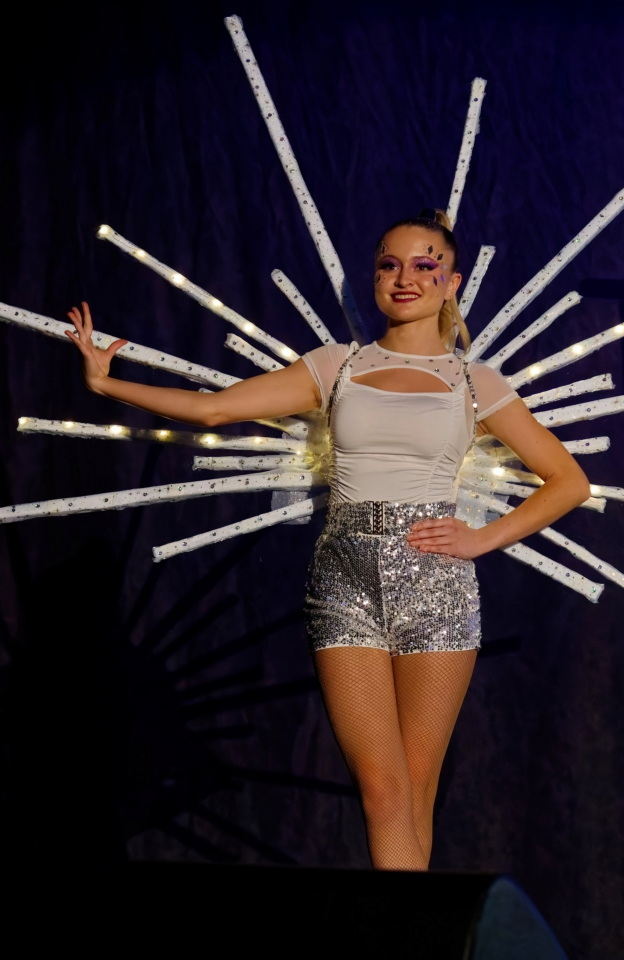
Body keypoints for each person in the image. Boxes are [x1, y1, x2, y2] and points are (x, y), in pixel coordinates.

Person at [65, 207, 591, 871]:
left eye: (424, 265)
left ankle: (416, 927)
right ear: (374, 278)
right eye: (388, 265)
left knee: (416, 792)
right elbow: (216, 408)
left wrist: (483, 539)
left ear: (452, 282)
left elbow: (569, 481)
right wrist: (106, 382)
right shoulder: (337, 366)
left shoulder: (473, 382)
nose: (404, 278)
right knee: (383, 792)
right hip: (343, 581)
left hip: (436, 583)